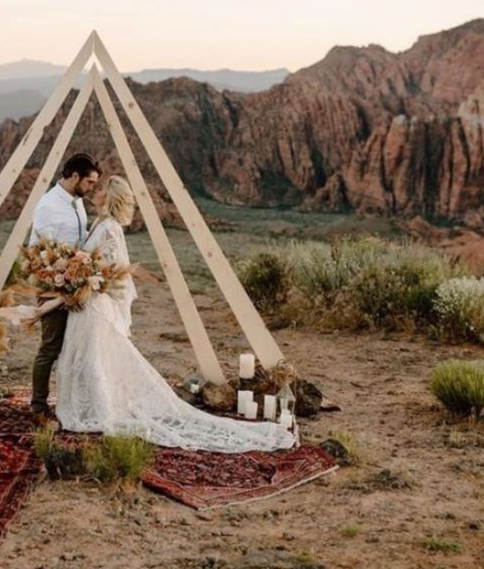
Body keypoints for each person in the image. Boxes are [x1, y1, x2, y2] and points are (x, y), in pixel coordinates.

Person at [53, 175, 297, 452]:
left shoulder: (110, 228)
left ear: (109, 197)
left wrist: (84, 280)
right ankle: (89, 405)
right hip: (86, 302)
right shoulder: (99, 223)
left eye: (99, 189)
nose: (94, 192)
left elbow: (109, 273)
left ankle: (100, 409)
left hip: (95, 304)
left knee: (93, 359)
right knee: (86, 358)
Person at [28, 153, 100, 417]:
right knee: (50, 346)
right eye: (90, 182)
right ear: (74, 177)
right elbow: (42, 253)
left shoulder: (76, 202)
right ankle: (38, 406)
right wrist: (62, 284)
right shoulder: (49, 205)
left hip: (76, 285)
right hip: (52, 285)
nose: (92, 188)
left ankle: (71, 402)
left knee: (75, 345)